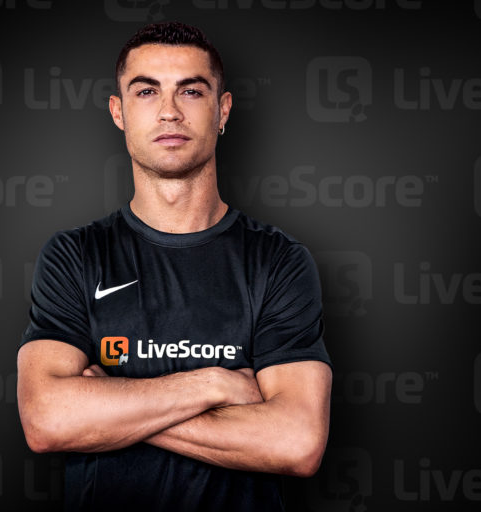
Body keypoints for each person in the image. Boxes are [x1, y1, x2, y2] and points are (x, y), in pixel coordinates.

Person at [17, 21, 333, 512]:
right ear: (119, 112)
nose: (169, 111)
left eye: (191, 91)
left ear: (222, 110)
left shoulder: (279, 261)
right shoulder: (74, 256)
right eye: (146, 91)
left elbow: (297, 442)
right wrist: (214, 384)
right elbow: (46, 421)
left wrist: (108, 408)